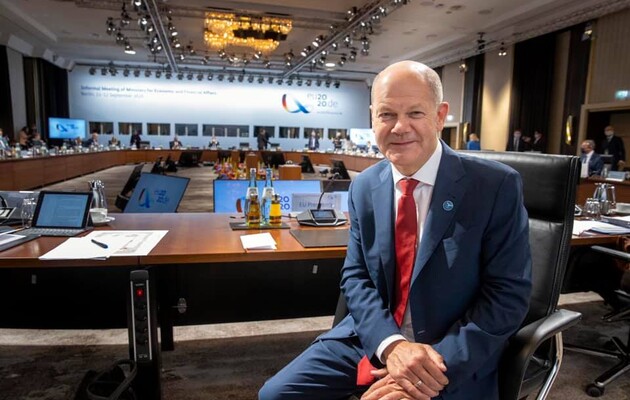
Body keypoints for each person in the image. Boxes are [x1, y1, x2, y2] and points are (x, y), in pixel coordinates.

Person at [259, 61, 532, 400]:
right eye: (387, 114)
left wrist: (424, 373)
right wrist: (391, 346)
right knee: (275, 395)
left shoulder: (494, 186)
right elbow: (356, 277)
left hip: (449, 349)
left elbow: (507, 296)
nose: (400, 127)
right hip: (376, 337)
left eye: (415, 113)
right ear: (373, 118)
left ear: (440, 116)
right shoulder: (364, 186)